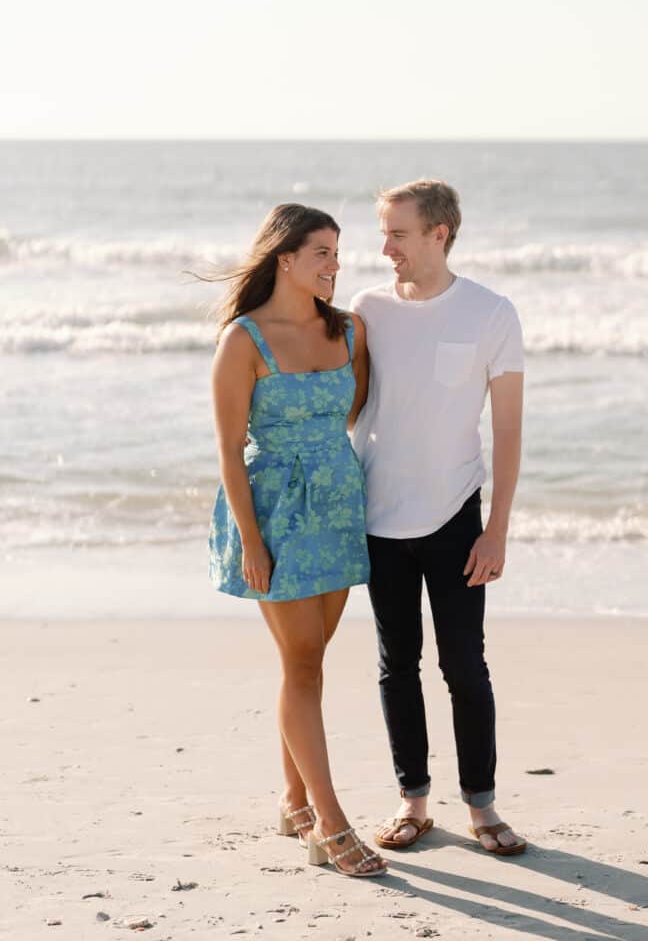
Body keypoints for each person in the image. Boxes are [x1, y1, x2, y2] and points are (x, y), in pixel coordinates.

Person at [208, 203, 387, 877]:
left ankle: (292, 802)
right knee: (304, 663)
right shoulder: (243, 340)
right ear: (284, 257)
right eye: (322, 252)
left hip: (338, 508)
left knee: (305, 664)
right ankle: (330, 826)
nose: (335, 265)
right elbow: (228, 450)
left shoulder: (348, 331)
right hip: (275, 515)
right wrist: (252, 542)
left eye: (338, 253)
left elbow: (350, 410)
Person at [350, 180, 526, 856]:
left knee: (464, 665)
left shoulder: (489, 312)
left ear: (437, 234)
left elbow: (507, 429)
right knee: (396, 664)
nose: (384, 246)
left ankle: (481, 808)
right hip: (378, 519)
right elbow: (350, 402)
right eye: (382, 233)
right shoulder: (366, 309)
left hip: (456, 516)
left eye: (397, 233)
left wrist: (496, 529)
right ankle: (413, 802)